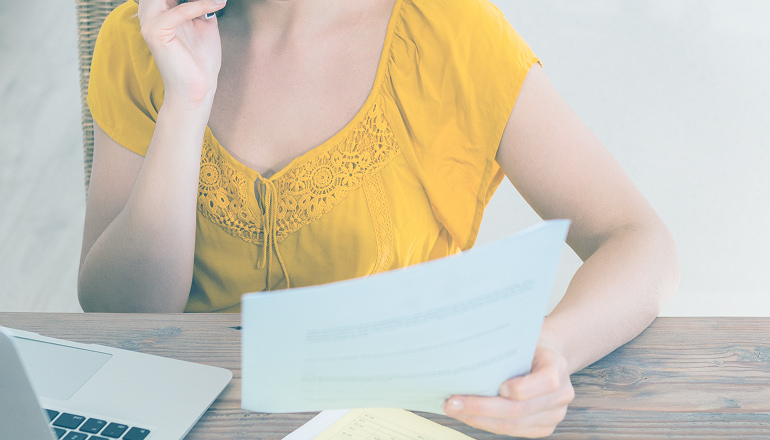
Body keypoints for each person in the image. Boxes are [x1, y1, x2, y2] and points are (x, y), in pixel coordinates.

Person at [78, 0, 679, 436]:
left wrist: (551, 346)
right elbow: (121, 310)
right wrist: (186, 103)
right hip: (180, 418)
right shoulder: (141, 37)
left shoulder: (453, 31)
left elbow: (637, 240)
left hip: (394, 421)